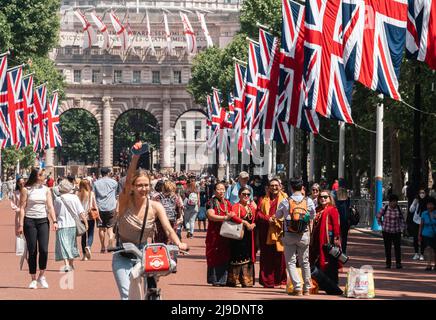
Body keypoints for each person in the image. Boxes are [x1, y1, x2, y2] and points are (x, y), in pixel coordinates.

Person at [112, 142, 188, 300]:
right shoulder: (125, 201)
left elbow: (168, 229)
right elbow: (126, 183)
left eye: (146, 185)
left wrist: (178, 243)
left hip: (145, 254)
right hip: (123, 254)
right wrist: (135, 157)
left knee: (152, 292)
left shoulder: (155, 206)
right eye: (139, 185)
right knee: (127, 296)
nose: (143, 188)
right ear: (133, 187)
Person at [16, 168, 57, 289]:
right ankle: (33, 279)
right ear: (36, 176)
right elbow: (22, 208)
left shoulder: (46, 190)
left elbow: (50, 206)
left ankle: (41, 275)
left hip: (43, 221)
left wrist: (54, 221)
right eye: (42, 175)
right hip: (29, 221)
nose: (45, 177)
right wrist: (21, 225)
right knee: (32, 250)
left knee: (44, 250)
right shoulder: (26, 189)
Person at [276, 178, 316, 296]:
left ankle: (297, 287)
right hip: (303, 234)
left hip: (289, 233)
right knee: (305, 262)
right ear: (302, 187)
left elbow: (278, 216)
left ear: (291, 188)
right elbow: (312, 215)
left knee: (291, 262)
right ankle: (307, 288)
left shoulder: (285, 201)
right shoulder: (308, 201)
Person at [256, 178, 288, 288]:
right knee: (266, 256)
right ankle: (268, 281)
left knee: (281, 256)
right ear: (268, 187)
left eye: (276, 185)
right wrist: (267, 218)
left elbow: (289, 213)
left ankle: (281, 280)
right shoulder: (263, 199)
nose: (274, 187)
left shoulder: (286, 199)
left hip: (280, 231)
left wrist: (278, 219)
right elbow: (258, 213)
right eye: (272, 185)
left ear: (280, 187)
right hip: (266, 231)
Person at [53, 179, 89, 271]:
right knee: (72, 245)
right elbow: (81, 212)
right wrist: (85, 222)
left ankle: (66, 264)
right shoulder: (74, 197)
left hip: (61, 225)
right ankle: (70, 264)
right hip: (72, 224)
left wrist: (55, 221)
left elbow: (55, 213)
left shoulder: (58, 199)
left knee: (63, 245)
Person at [227, 187, 257, 287]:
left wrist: (253, 224)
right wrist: (244, 222)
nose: (246, 196)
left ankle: (247, 281)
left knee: (247, 256)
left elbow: (254, 218)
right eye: (244, 194)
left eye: (248, 194)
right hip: (238, 235)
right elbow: (233, 216)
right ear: (239, 195)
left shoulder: (251, 207)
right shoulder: (236, 206)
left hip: (249, 235)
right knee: (238, 256)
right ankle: (236, 280)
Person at [310, 190, 341, 285]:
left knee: (330, 260)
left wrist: (336, 237)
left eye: (325, 197)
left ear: (329, 198)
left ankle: (332, 283)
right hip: (317, 238)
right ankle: (322, 282)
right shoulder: (317, 209)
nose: (323, 198)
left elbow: (336, 225)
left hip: (329, 238)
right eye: (321, 197)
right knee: (318, 259)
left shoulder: (332, 209)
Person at [205, 182, 233, 286]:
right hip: (214, 235)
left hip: (226, 235)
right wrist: (225, 218)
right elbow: (210, 215)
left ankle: (223, 280)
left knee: (224, 256)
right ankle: (214, 279)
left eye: (223, 189)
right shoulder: (211, 202)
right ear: (214, 191)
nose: (221, 191)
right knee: (214, 256)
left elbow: (233, 214)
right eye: (219, 189)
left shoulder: (227, 203)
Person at [377, 194, 406, 269]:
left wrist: (402, 228)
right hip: (386, 231)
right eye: (392, 201)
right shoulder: (385, 208)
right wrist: (381, 224)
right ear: (389, 202)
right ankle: (388, 263)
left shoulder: (399, 209)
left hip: (396, 231)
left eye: (395, 201)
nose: (394, 203)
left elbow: (402, 219)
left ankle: (398, 263)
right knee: (388, 248)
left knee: (397, 248)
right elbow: (378, 216)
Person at [93, 167, 118, 253]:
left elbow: (94, 196)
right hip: (111, 206)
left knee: (101, 228)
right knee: (110, 228)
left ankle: (103, 246)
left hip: (100, 208)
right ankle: (111, 239)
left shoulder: (96, 183)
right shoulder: (114, 182)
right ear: (108, 173)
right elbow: (116, 194)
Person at [78, 179, 101, 261]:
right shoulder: (91, 194)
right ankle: (89, 246)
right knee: (90, 233)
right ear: (88, 185)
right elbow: (95, 206)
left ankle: (84, 256)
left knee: (83, 236)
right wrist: (98, 216)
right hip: (90, 216)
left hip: (81, 217)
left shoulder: (78, 194)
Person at [408, 188, 429, 261]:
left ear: (426, 193)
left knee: (423, 238)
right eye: (420, 193)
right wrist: (415, 203)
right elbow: (411, 210)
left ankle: (422, 254)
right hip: (416, 221)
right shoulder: (416, 200)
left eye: (423, 192)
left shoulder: (428, 201)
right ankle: (416, 253)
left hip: (425, 222)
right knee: (415, 238)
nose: (422, 194)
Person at [418, 197, 436, 271]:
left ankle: (435, 264)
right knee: (428, 248)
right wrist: (419, 234)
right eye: (428, 204)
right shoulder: (424, 213)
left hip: (435, 234)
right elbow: (421, 225)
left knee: (435, 250)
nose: (429, 206)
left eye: (431, 204)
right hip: (426, 234)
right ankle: (428, 264)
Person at [335, 187, 351, 254]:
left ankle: (336, 251)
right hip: (345, 222)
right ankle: (343, 252)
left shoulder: (336, 202)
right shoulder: (347, 201)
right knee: (344, 238)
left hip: (338, 221)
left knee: (337, 237)